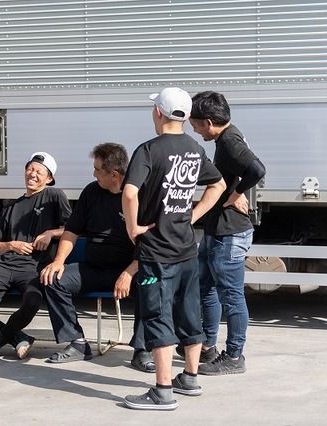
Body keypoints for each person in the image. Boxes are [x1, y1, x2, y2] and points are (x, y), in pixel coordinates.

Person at [121, 87, 225, 410]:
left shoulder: (148, 150)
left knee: (158, 314)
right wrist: (192, 215)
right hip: (187, 248)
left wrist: (132, 227)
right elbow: (219, 184)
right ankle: (190, 378)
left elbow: (129, 193)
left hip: (156, 252)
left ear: (159, 113)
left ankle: (162, 391)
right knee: (189, 312)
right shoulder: (195, 149)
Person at [40, 143, 154, 372]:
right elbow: (72, 231)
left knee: (151, 285)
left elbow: (153, 244)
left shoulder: (140, 195)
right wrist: (59, 261)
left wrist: (128, 273)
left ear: (114, 175)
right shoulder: (92, 192)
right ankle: (77, 342)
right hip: (94, 268)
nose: (94, 174)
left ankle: (142, 349)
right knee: (52, 279)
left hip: (130, 270)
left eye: (97, 169)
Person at [0, 152, 71, 362]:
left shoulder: (55, 196)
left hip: (34, 268)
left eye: (39, 171)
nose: (33, 174)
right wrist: (11, 245)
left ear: (49, 178)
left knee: (33, 300)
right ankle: (16, 337)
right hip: (4, 267)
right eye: (30, 169)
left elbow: (72, 230)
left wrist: (50, 233)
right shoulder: (11, 207)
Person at [187, 91, 266, 375]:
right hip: (216, 228)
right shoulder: (226, 138)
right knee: (205, 288)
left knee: (231, 296)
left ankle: (233, 357)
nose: (195, 131)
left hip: (230, 232)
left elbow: (257, 170)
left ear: (208, 122)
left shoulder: (230, 141)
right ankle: (208, 346)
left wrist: (237, 193)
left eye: (196, 125)